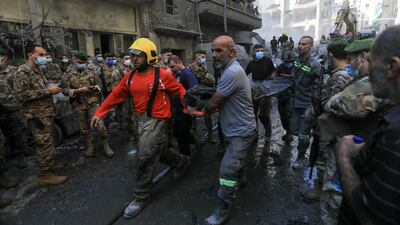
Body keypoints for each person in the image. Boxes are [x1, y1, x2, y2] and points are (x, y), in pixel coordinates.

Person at [91, 38, 191, 219]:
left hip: (158, 121)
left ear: (149, 56)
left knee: (145, 155)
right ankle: (182, 162)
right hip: (141, 121)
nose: (134, 59)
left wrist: (190, 107)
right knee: (156, 150)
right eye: (132, 55)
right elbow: (115, 95)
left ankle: (141, 196)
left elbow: (179, 90)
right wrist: (100, 113)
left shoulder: (163, 75)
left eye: (138, 55)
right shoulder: (129, 77)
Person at [335, 25, 400, 225]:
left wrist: (344, 157)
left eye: (370, 62)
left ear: (392, 67)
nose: (368, 71)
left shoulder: (395, 135)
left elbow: (371, 216)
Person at [197, 35, 257, 225]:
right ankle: (242, 179)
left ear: (232, 52)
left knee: (227, 171)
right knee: (235, 164)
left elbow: (215, 102)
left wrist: (197, 110)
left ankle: (223, 209)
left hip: (241, 132)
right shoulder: (228, 69)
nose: (213, 55)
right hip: (234, 129)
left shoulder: (232, 72)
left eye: (219, 51)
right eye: (212, 50)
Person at [300, 39, 352, 204]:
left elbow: (330, 104)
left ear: (331, 55)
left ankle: (321, 189)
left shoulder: (340, 76)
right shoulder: (347, 72)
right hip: (336, 126)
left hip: (332, 126)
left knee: (324, 158)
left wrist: (315, 112)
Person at [14, 45, 67, 187]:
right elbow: (21, 95)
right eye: (41, 54)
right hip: (36, 115)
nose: (44, 57)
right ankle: (45, 175)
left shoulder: (37, 69)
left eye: (45, 54)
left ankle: (49, 165)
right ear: (31, 55)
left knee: (48, 141)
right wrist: (47, 91)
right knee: (43, 143)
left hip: (45, 112)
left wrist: (49, 91)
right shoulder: (23, 71)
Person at [61, 51, 114, 158]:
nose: (82, 64)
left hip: (92, 102)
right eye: (80, 62)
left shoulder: (91, 71)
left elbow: (100, 84)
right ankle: (89, 146)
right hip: (78, 104)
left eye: (84, 62)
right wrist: (77, 91)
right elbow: (64, 90)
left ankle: (105, 144)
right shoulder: (68, 73)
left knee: (99, 125)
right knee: (83, 128)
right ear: (75, 60)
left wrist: (95, 88)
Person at [290, 36, 321, 169]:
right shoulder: (296, 60)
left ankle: (300, 158)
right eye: (299, 43)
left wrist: (314, 106)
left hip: (307, 104)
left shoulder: (315, 65)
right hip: (296, 101)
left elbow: (319, 87)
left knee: (303, 133)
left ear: (310, 47)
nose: (300, 46)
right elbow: (293, 73)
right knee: (293, 129)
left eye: (304, 44)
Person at [0, 49, 28, 188]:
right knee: (2, 139)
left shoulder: (14, 71)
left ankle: (19, 154)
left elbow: (20, 89)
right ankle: (4, 166)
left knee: (18, 132)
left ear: (4, 58)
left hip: (13, 108)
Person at [245, 44, 276, 148]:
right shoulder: (251, 63)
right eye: (258, 50)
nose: (260, 52)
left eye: (262, 50)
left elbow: (274, 72)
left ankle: (268, 132)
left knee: (264, 115)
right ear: (253, 52)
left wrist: (269, 79)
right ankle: (255, 133)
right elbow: (245, 75)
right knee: (253, 114)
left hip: (266, 91)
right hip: (254, 91)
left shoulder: (267, 60)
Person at [169, 55, 198, 155]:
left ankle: (185, 158)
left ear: (178, 62)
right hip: (178, 110)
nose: (171, 69)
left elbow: (194, 90)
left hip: (185, 111)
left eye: (172, 66)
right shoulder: (177, 74)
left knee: (182, 136)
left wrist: (191, 108)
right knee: (176, 132)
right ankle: (194, 140)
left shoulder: (187, 74)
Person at [187, 49, 216, 143]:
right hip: (194, 95)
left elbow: (208, 81)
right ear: (196, 57)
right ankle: (194, 138)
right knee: (193, 117)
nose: (203, 59)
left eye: (204, 57)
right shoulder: (190, 68)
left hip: (203, 94)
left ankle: (210, 135)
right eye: (202, 57)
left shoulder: (204, 68)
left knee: (207, 115)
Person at [274, 51, 295, 142]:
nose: (288, 59)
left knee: (288, 113)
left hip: (292, 94)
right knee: (282, 114)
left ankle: (290, 133)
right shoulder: (280, 67)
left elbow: (297, 77)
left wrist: (287, 76)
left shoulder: (296, 67)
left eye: (290, 58)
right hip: (281, 95)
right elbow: (274, 77)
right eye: (286, 58)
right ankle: (287, 132)